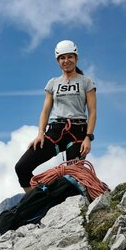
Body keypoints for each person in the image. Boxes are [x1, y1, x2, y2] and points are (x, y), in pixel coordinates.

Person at [15, 40, 97, 192]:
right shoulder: (53, 83)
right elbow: (45, 110)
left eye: (70, 57)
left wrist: (88, 137)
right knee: (21, 167)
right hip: (55, 131)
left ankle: (74, 202)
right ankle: (35, 201)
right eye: (62, 58)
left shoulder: (86, 81)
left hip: (78, 132)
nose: (66, 61)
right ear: (58, 61)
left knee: (73, 177)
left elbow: (92, 112)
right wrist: (40, 133)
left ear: (76, 58)